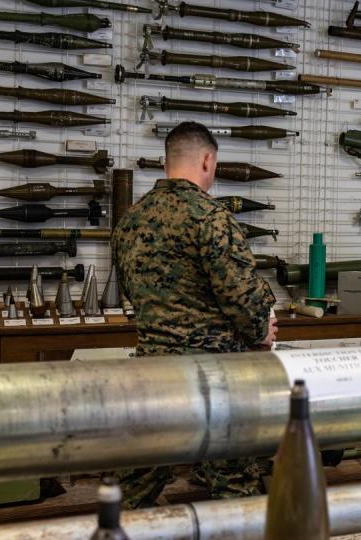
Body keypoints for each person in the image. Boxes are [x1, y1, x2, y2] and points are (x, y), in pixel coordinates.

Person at [111, 121, 277, 507]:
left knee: (134, 488)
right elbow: (244, 297)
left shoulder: (128, 223)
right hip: (214, 378)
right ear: (207, 160)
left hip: (153, 373)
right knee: (234, 486)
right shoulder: (212, 219)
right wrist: (260, 330)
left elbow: (132, 291)